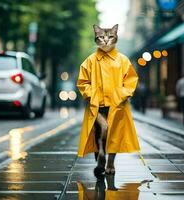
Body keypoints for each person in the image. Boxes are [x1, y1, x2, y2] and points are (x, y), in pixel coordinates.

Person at [76, 24, 140, 179]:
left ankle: (110, 162)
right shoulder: (90, 61)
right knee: (100, 131)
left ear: (115, 37)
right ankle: (100, 159)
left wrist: (121, 95)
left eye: (110, 37)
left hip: (116, 105)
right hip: (97, 106)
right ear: (96, 38)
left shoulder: (123, 60)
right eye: (101, 37)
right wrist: (92, 95)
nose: (105, 41)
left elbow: (131, 81)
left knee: (114, 135)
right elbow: (82, 82)